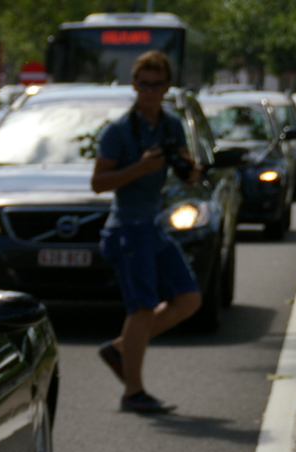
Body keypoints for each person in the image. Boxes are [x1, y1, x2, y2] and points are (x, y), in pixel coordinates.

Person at [91, 50, 202, 414]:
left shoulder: (170, 125)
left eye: (157, 84)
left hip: (154, 226)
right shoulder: (119, 131)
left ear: (167, 86)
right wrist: (138, 169)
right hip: (127, 229)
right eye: (143, 83)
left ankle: (121, 348)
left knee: (189, 299)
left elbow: (184, 166)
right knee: (142, 307)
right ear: (134, 85)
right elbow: (98, 183)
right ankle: (133, 393)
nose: (150, 91)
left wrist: (191, 170)